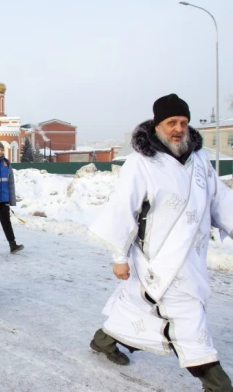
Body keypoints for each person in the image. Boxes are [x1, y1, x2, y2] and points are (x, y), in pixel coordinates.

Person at [89, 94, 233, 391]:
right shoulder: (141, 163)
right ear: (157, 126)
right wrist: (119, 256)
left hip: (192, 258)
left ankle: (103, 340)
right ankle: (217, 383)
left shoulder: (200, 160)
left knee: (138, 304)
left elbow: (221, 201)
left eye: (183, 122)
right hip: (155, 259)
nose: (179, 128)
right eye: (172, 123)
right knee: (188, 318)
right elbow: (122, 208)